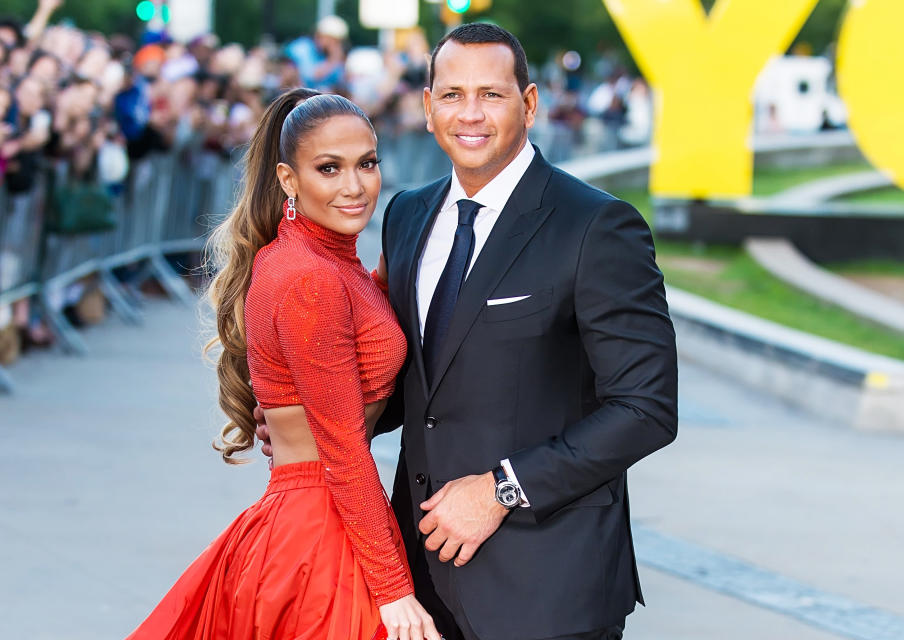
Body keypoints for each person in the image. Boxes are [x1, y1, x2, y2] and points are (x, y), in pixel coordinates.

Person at [255, 23, 678, 640]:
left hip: (547, 589)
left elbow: (646, 409)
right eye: (452, 95)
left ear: (529, 104)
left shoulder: (597, 227)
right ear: (427, 108)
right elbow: (426, 381)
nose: (470, 114)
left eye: (492, 94)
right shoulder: (405, 214)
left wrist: (502, 490)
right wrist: (320, 417)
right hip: (418, 580)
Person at [125, 89, 441, 640]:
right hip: (321, 533)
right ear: (289, 180)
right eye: (329, 168)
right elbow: (342, 445)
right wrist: (395, 591)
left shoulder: (323, 262)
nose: (355, 186)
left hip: (320, 519)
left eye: (367, 164)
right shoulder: (306, 277)